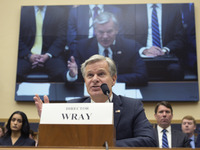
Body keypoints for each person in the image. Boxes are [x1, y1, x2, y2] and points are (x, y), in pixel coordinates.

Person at [34, 54, 157, 147]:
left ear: (113, 79)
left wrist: (106, 146)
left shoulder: (132, 107)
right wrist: (48, 122)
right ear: (85, 81)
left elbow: (149, 141)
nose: (95, 79)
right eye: (90, 75)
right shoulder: (73, 106)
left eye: (101, 74)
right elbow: (57, 143)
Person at [67, 12, 148, 86]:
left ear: (116, 30)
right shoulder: (82, 47)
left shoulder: (130, 46)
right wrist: (72, 75)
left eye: (109, 32)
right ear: (95, 31)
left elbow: (142, 76)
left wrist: (111, 80)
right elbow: (74, 77)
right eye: (101, 32)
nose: (105, 36)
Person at [124, 4, 185, 81]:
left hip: (166, 57)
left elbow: (180, 39)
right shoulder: (133, 9)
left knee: (176, 69)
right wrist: (144, 50)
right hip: (141, 57)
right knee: (132, 70)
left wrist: (164, 50)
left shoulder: (173, 9)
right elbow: (127, 38)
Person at [17, 6, 68, 82]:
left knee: (61, 74)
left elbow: (61, 38)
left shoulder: (60, 12)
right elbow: (16, 37)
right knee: (13, 74)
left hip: (51, 55)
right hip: (26, 55)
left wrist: (48, 55)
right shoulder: (21, 11)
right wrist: (28, 55)